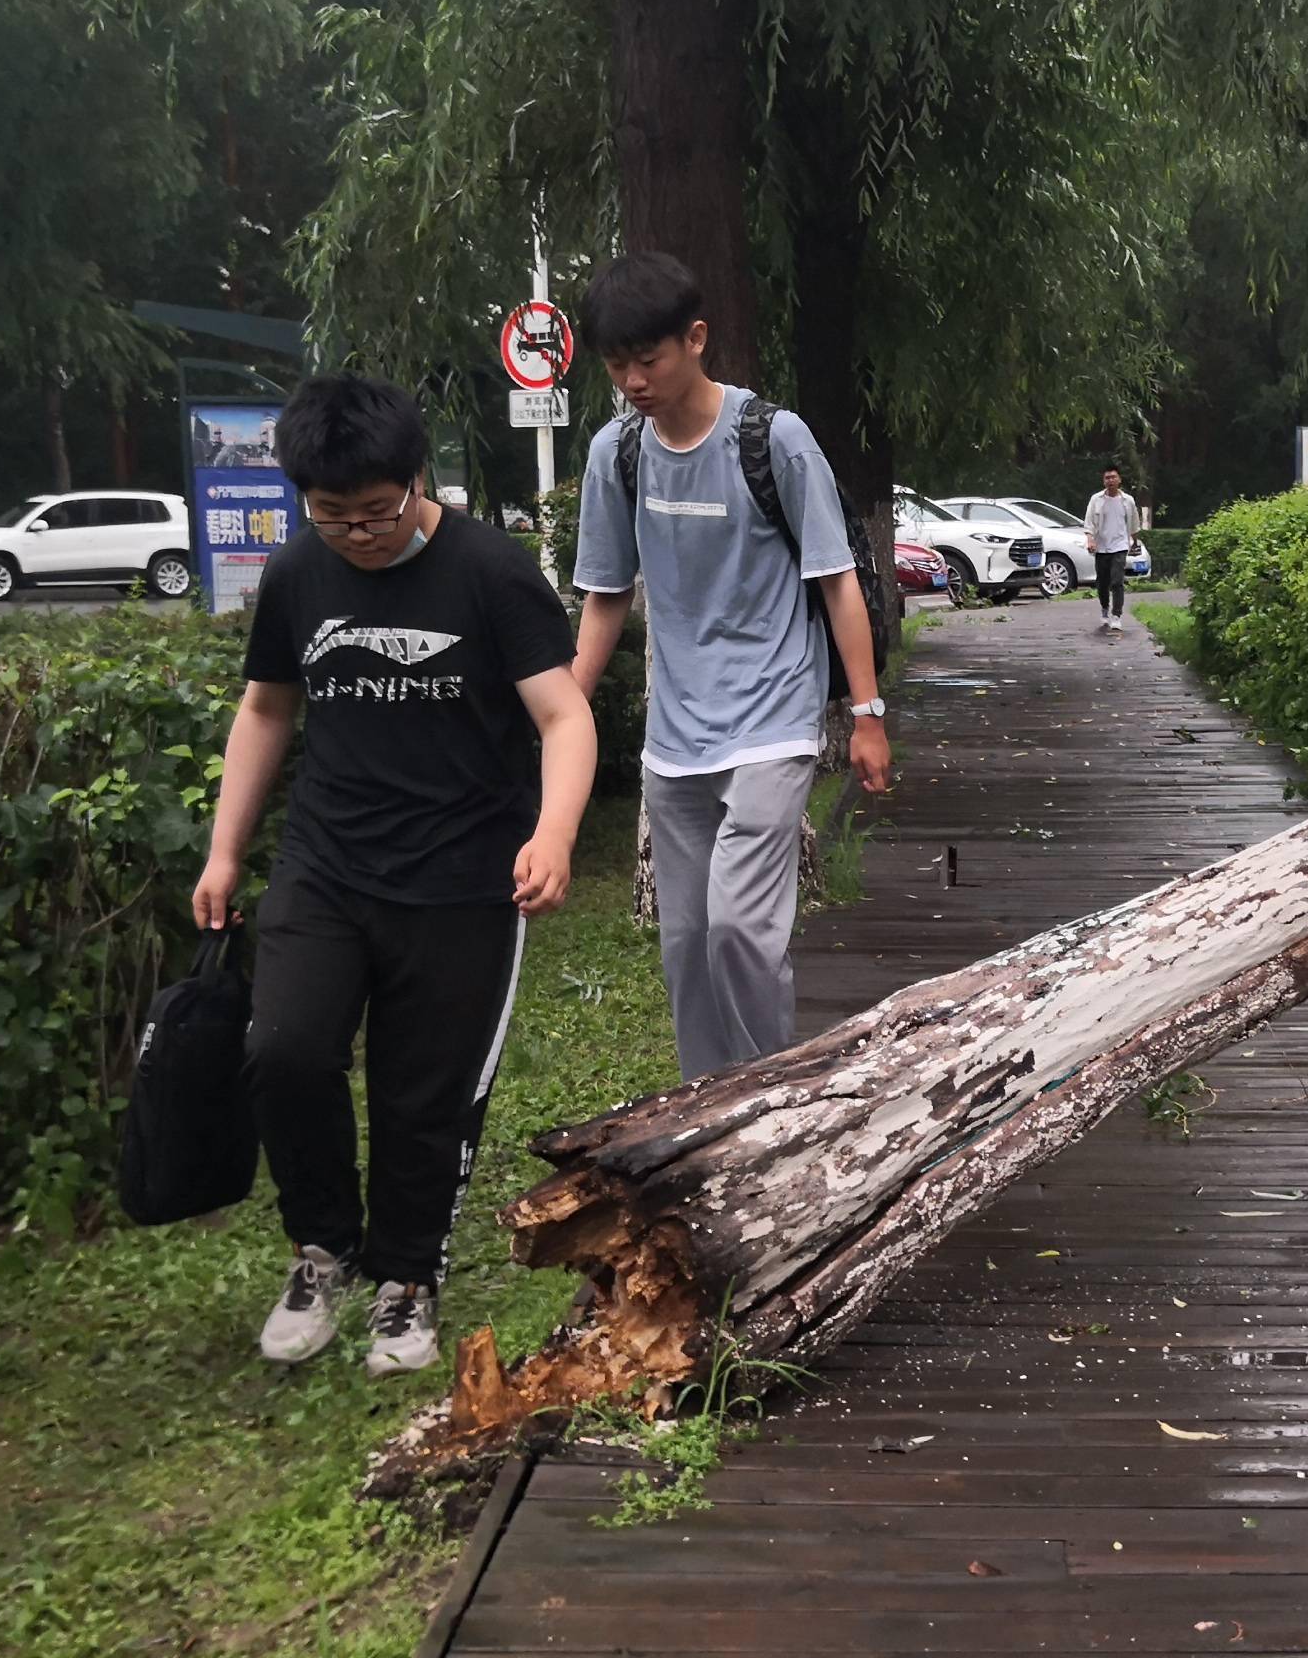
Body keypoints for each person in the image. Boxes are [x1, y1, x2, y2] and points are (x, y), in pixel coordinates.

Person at [193, 372, 597, 1375]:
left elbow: (564, 715)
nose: (359, 535)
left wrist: (552, 833)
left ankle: (407, 1279)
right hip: (327, 865)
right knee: (284, 1052)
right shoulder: (298, 574)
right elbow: (267, 708)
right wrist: (225, 848)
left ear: (416, 479)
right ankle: (323, 1246)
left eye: (377, 513)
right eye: (334, 517)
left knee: (425, 1094)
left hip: (462, 882)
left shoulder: (490, 573)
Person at [566, 251, 893, 1081]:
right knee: (684, 946)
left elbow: (836, 582)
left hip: (773, 718)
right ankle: (703, 1106)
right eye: (616, 365)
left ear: (697, 339)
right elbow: (606, 595)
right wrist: (565, 710)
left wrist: (866, 715)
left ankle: (765, 1097)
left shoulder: (771, 439)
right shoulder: (618, 455)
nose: (633, 380)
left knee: (740, 930)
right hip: (675, 734)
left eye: (649, 359)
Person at [1085, 465, 1139, 631]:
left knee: (1117, 581)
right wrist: (1090, 540)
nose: (1110, 481)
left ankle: (1116, 615)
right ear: (1104, 481)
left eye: (1113, 477)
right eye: (1107, 478)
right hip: (1101, 546)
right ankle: (1104, 609)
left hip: (1120, 545)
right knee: (1102, 583)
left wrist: (1135, 542)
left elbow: (1133, 523)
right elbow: (1089, 523)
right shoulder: (1096, 499)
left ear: (1119, 479)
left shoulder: (1127, 501)